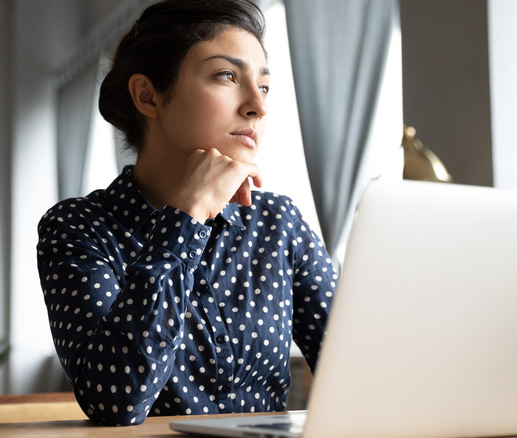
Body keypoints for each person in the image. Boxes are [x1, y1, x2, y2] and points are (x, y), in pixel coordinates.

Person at [37, 0, 337, 426]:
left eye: (265, 86)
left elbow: (355, 372)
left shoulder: (277, 223)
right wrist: (186, 217)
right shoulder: (78, 228)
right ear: (148, 96)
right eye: (227, 76)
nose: (258, 105)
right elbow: (115, 402)